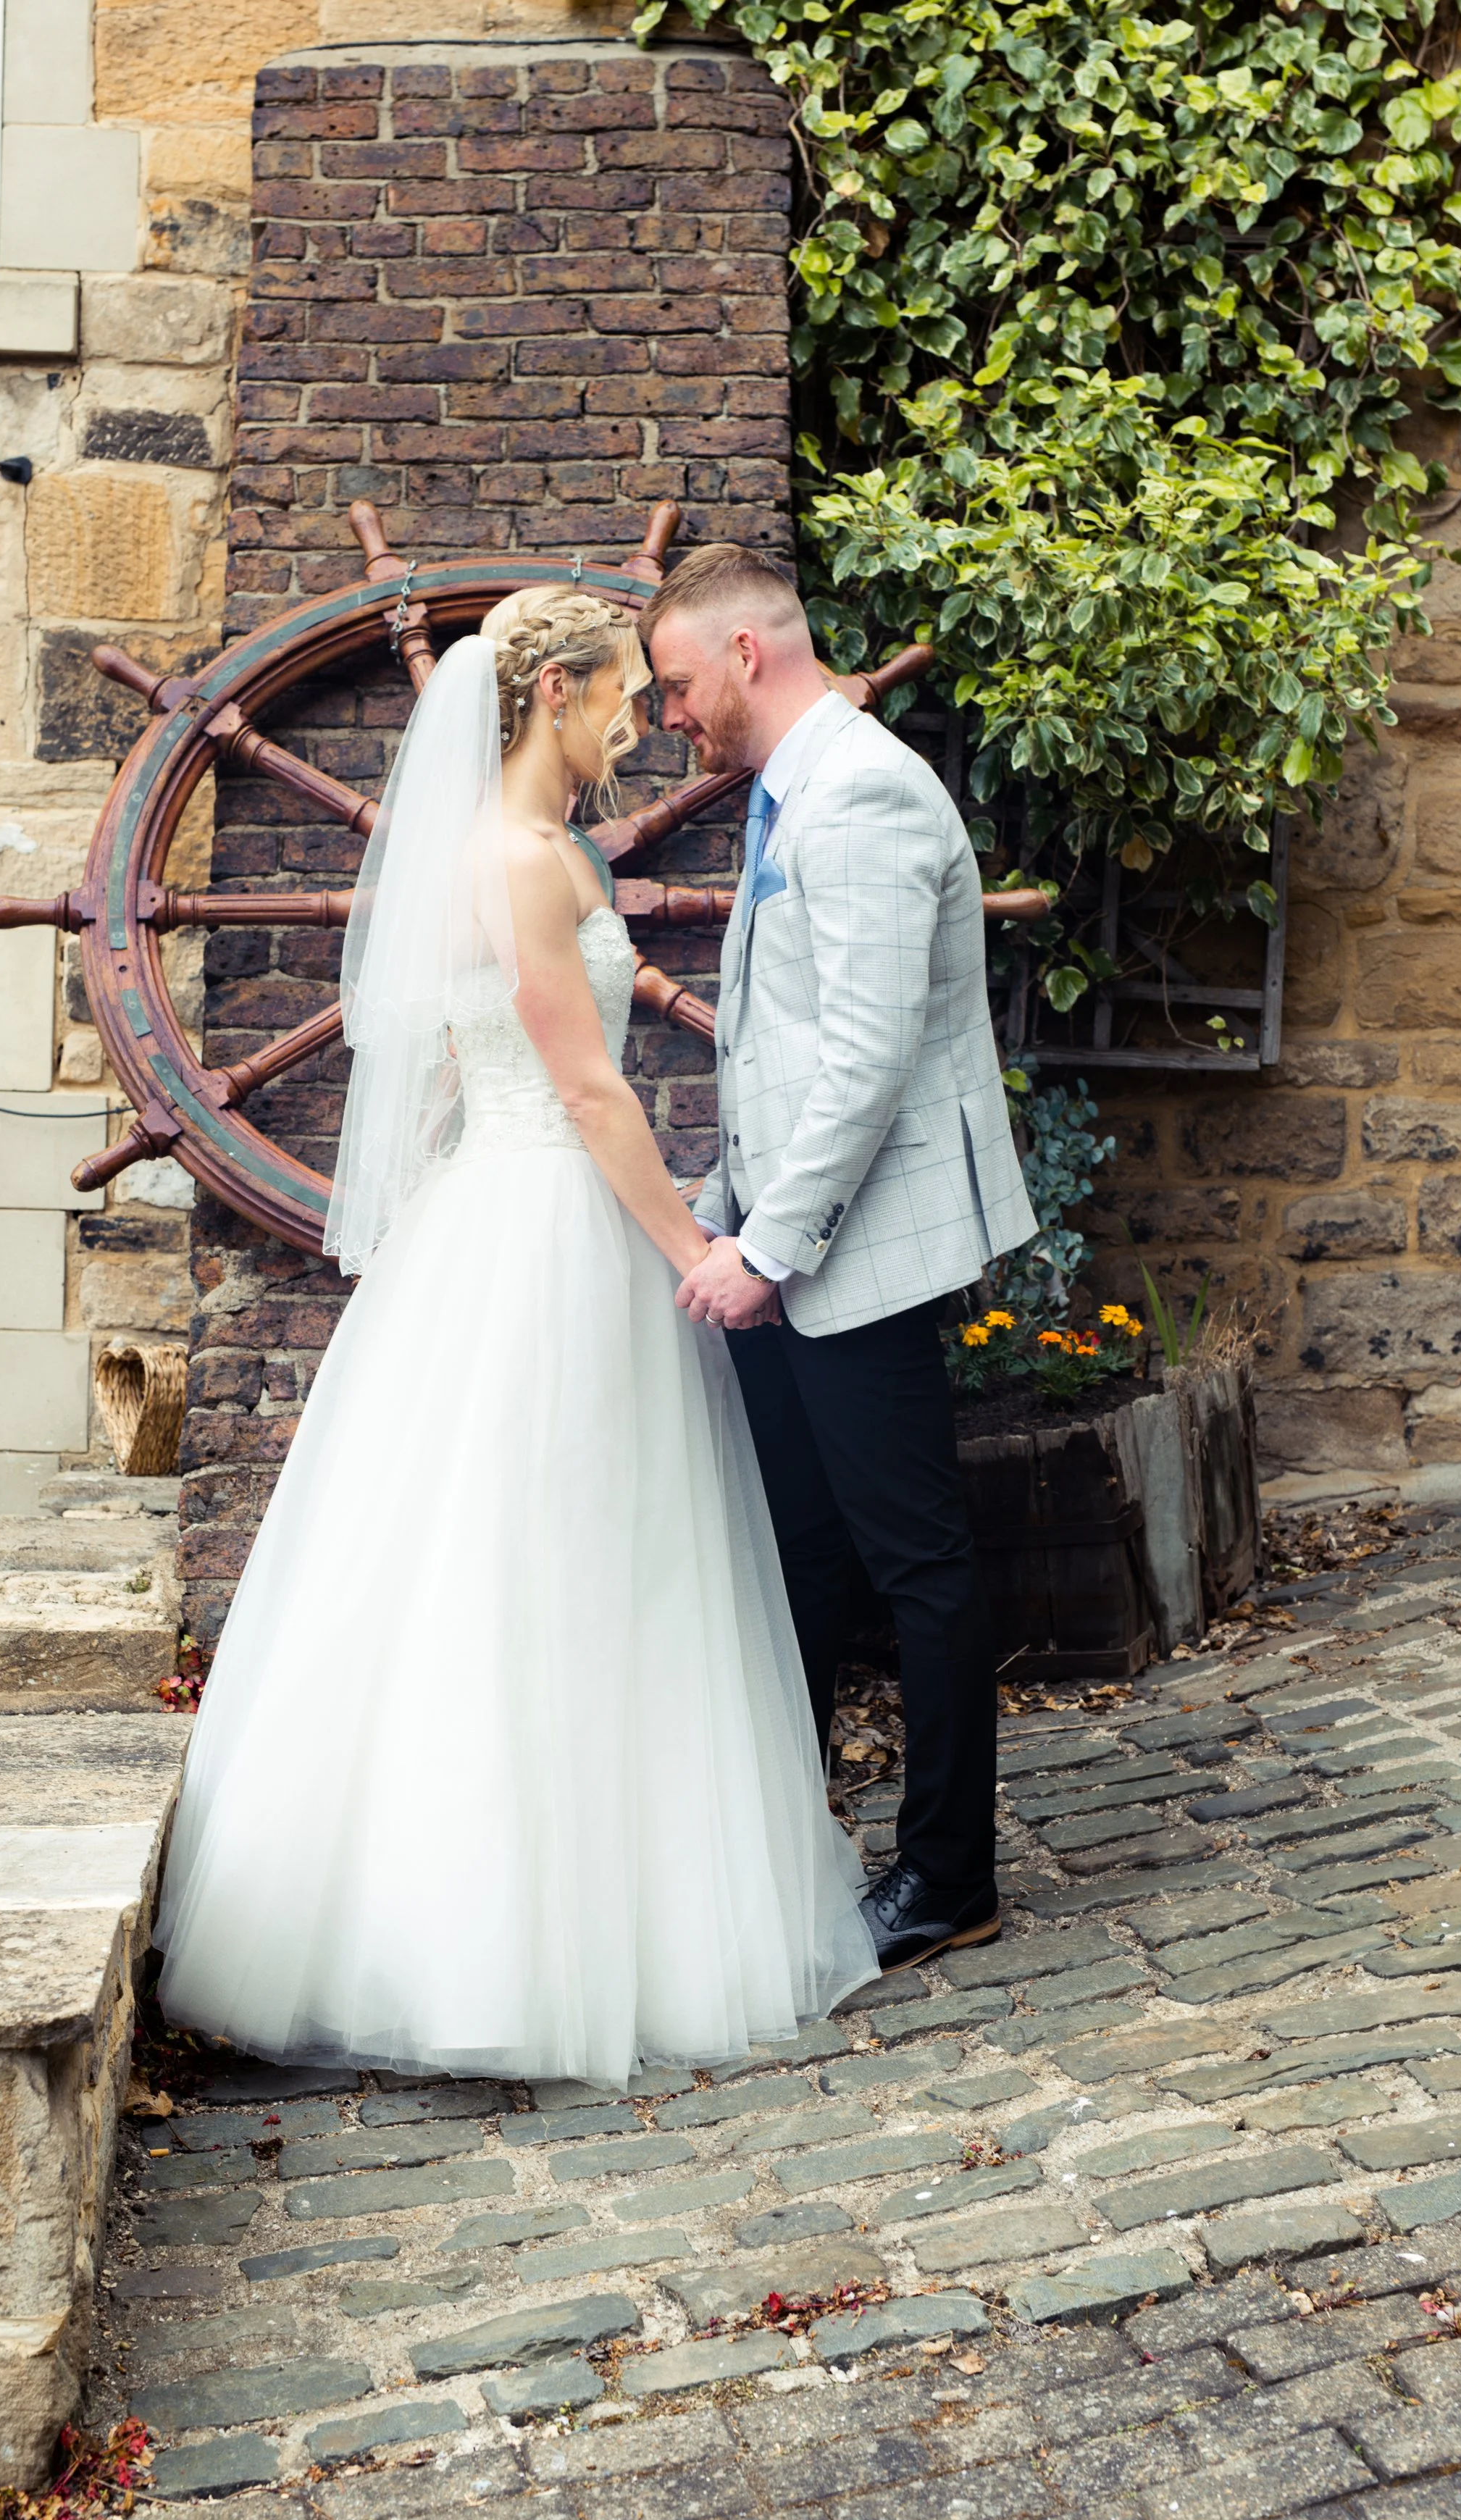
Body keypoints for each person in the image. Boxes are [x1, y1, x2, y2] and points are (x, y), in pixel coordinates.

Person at [153, 588, 877, 2089]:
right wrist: (697, 1250)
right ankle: (474, 1941)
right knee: (510, 1555)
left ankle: (605, 1904)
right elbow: (589, 1092)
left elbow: (438, 1079)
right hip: (543, 1222)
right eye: (618, 695)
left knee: (601, 1559)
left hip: (545, 1216)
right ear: (549, 691)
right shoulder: (512, 862)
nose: (636, 723)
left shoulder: (551, 853)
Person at [645, 544, 1037, 1972]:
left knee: (915, 1561)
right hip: (791, 1243)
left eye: (677, 685)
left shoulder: (860, 790)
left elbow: (867, 1058)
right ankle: (784, 1844)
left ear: (746, 652)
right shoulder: (792, 791)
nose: (667, 716)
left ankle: (947, 1878)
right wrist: (718, 1205)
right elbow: (786, 1043)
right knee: (799, 1552)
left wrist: (772, 1247)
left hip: (851, 1256)